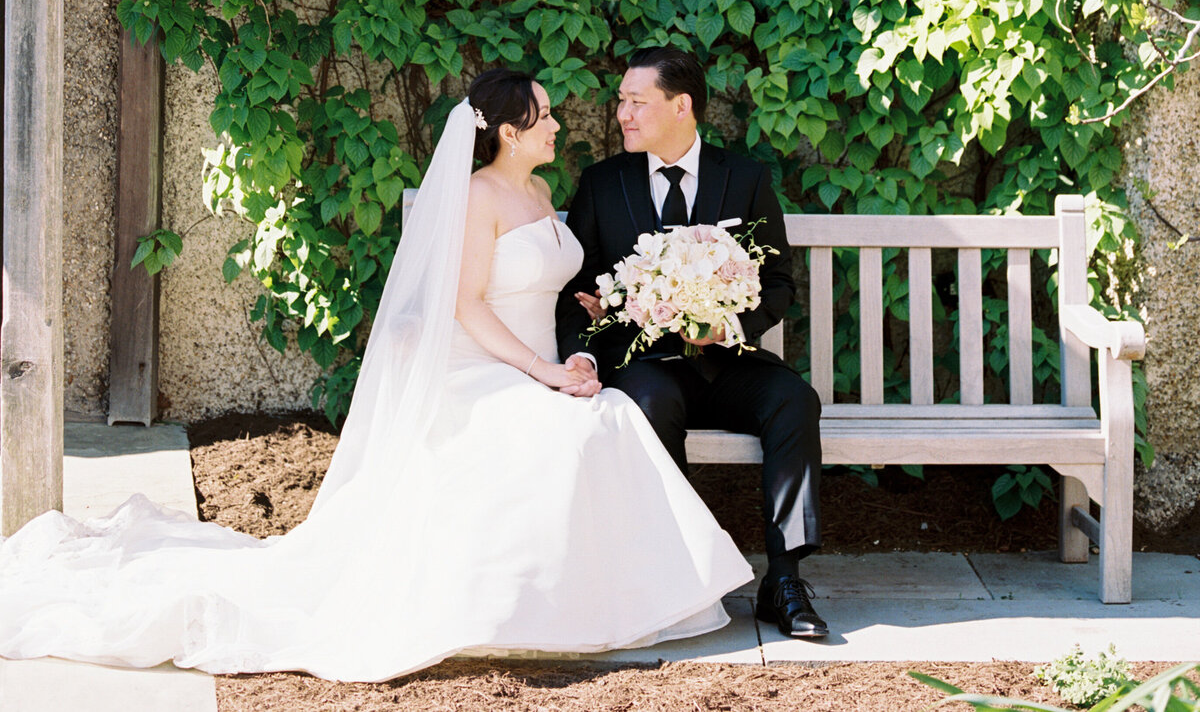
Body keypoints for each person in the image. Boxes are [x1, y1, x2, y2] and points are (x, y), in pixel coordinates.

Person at [0, 71, 750, 681]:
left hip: (539, 364)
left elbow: (554, 297)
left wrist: (578, 356)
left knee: (610, 419)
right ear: (511, 133)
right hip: (482, 368)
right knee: (564, 435)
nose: (559, 125)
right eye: (545, 117)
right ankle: (531, 609)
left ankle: (608, 600)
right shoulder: (481, 199)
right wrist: (540, 374)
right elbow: (463, 308)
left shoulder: (543, 194)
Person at [557, 45, 828, 640]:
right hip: (647, 365)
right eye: (621, 101)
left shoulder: (746, 178)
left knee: (794, 400)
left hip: (728, 359)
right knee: (648, 405)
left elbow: (778, 285)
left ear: (681, 106)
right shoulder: (602, 184)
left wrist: (727, 324)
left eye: (636, 102)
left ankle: (783, 580)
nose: (622, 113)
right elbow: (575, 289)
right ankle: (675, 573)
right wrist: (584, 350)